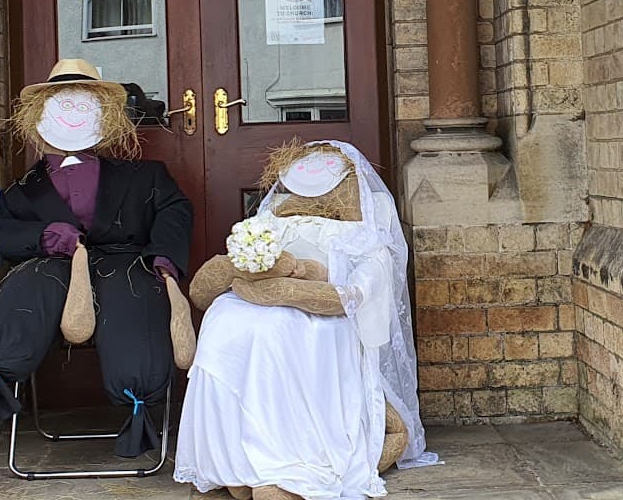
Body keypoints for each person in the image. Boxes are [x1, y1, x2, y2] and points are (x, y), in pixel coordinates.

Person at [176, 140, 435, 500]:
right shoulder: (272, 220)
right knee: (224, 320)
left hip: (317, 306)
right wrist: (245, 269)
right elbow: (223, 277)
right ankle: (234, 458)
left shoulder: (364, 230)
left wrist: (291, 288)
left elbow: (356, 292)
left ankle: (282, 462)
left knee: (278, 331)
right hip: (252, 299)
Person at [0, 58, 195, 458]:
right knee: (27, 287)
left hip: (127, 261)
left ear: (105, 116)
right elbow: (4, 230)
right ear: (40, 116)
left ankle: (140, 405)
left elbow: (174, 212)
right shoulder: (23, 189)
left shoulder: (146, 175)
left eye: (83, 105)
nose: (71, 114)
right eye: (62, 105)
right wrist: (47, 237)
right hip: (55, 265)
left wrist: (163, 260)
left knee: (135, 300)